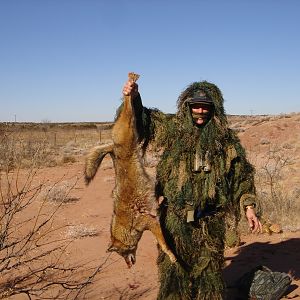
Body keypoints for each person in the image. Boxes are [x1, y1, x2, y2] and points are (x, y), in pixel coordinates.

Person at [122, 78, 262, 300]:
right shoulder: (174, 129)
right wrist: (134, 98)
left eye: (205, 107)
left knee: (209, 278)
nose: (200, 111)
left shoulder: (225, 140)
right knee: (174, 276)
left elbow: (241, 175)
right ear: (186, 107)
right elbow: (144, 122)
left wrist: (249, 207)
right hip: (174, 221)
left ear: (214, 109)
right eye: (195, 106)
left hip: (210, 223)